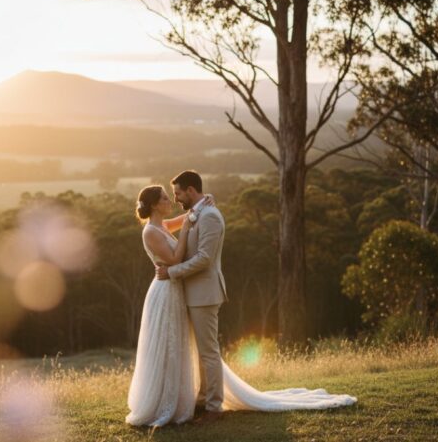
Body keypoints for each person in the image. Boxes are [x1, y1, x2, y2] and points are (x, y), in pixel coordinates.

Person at [126, 171, 357, 427]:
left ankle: (214, 407)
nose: (175, 198)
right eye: (169, 197)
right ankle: (202, 400)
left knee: (207, 352)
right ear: (155, 204)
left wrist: (171, 270)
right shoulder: (177, 221)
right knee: (193, 350)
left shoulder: (210, 216)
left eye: (178, 193)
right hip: (181, 292)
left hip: (201, 292)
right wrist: (194, 215)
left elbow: (204, 259)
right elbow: (183, 230)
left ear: (191, 191)